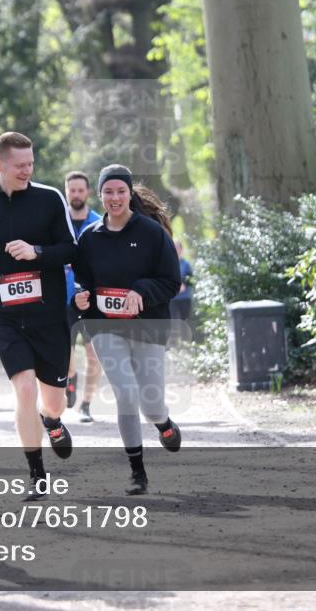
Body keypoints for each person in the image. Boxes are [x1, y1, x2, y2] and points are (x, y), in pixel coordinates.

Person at [0, 131, 77, 500]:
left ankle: (53, 420)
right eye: (19, 165)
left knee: (54, 401)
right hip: (6, 317)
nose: (27, 170)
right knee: (24, 389)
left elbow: (71, 250)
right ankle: (36, 474)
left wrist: (37, 252)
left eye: (31, 163)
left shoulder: (49, 199)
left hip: (49, 315)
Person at [73, 165, 183, 495]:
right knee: (126, 393)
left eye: (121, 191)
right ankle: (137, 471)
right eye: (108, 192)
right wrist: (81, 297)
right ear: (100, 195)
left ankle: (163, 423)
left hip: (148, 326)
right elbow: (83, 281)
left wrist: (141, 291)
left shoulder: (152, 233)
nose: (115, 197)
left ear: (129, 193)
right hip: (105, 326)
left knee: (151, 404)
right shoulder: (89, 237)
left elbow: (171, 281)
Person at [63, 170, 102, 422]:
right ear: (66, 192)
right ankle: (71, 377)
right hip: (64, 298)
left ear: (87, 192)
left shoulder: (99, 222)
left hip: (91, 298)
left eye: (80, 190)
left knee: (93, 354)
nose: (76, 194)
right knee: (65, 356)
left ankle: (86, 405)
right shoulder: (57, 222)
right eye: (72, 190)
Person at [169, 239, 194, 321]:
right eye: (174, 247)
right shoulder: (167, 263)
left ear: (181, 249)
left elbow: (190, 279)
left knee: (184, 321)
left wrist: (184, 285)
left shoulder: (186, 264)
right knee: (173, 322)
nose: (175, 249)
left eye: (177, 247)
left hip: (185, 298)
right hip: (172, 299)